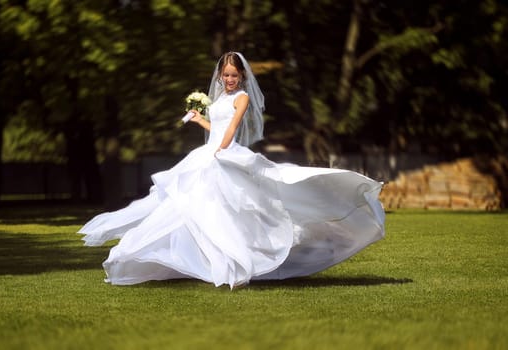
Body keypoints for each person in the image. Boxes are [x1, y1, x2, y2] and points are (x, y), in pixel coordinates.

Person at [78, 52, 385, 289]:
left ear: (241, 76)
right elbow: (218, 127)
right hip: (211, 151)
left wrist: (219, 151)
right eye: (225, 75)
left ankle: (235, 267)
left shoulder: (242, 97)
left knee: (230, 209)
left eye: (233, 75)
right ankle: (202, 264)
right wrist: (200, 121)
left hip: (223, 153)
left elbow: (232, 129)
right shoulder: (221, 97)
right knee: (192, 209)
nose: (229, 79)